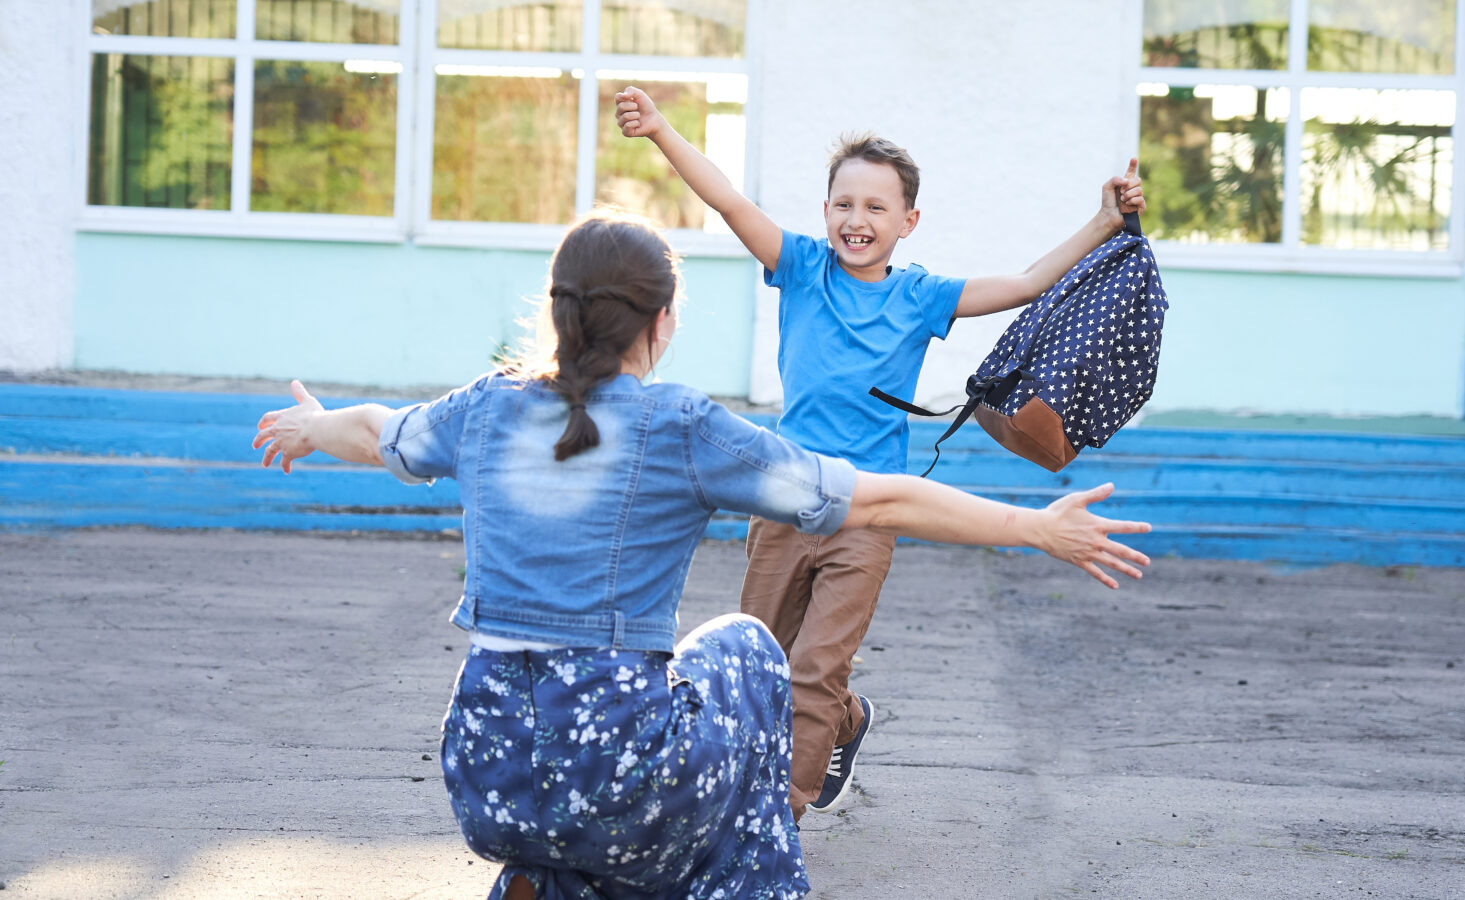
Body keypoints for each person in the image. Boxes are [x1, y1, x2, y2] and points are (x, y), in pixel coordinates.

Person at [252, 210, 1150, 900]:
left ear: (559, 313)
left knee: (606, 818)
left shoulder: (485, 408)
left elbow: (379, 433)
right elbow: (877, 495)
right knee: (749, 652)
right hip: (613, 766)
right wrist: (1031, 525)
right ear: (663, 320)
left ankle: (544, 879)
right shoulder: (677, 427)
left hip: (485, 772)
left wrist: (313, 422)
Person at [614, 87, 1148, 819]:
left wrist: (1105, 220)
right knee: (759, 664)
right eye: (843, 204)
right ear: (825, 210)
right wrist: (662, 132)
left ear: (908, 221)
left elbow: (1026, 284)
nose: (856, 220)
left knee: (815, 668)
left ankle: (778, 818)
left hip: (868, 515)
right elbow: (730, 203)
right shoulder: (801, 268)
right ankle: (846, 720)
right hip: (781, 501)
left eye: (875, 208)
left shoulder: (921, 297)